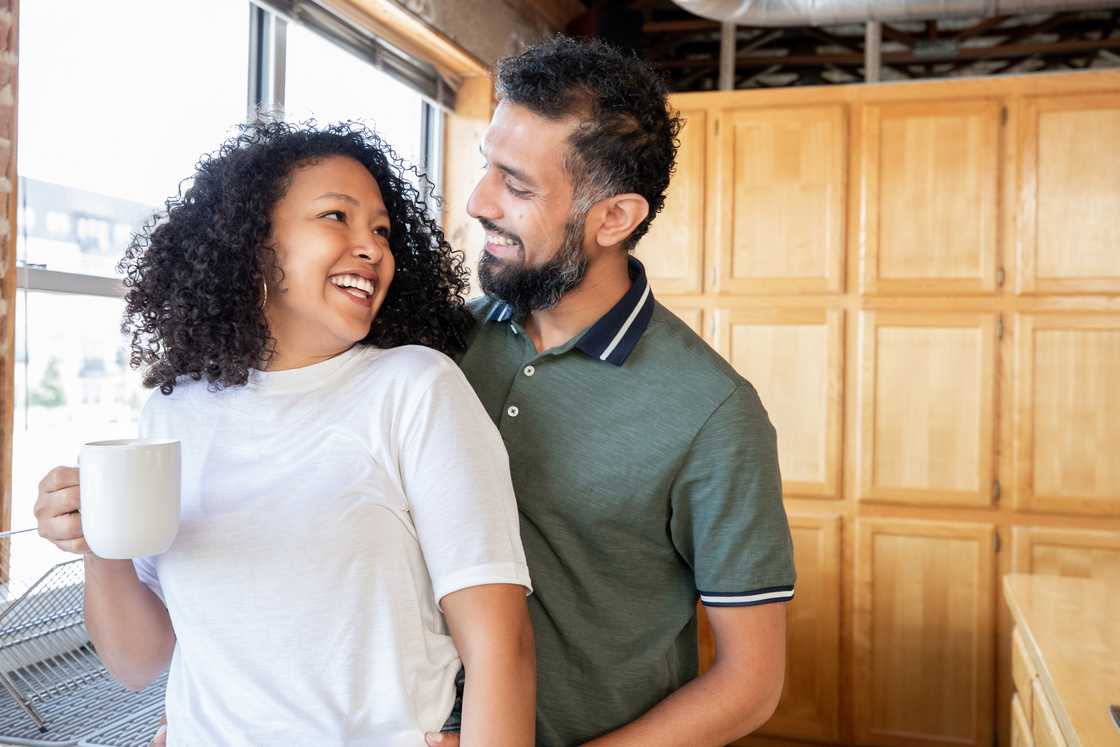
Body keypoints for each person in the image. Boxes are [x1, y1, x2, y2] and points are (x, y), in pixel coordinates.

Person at [33, 121, 535, 746]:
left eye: (381, 230)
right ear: (253, 246)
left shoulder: (415, 388)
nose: (373, 248)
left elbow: (500, 647)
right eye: (336, 217)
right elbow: (139, 661)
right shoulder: (174, 412)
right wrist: (96, 541)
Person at [429, 36, 796, 747]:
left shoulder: (714, 412)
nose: (478, 202)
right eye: (486, 168)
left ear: (614, 218)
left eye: (517, 183)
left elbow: (751, 682)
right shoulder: (439, 348)